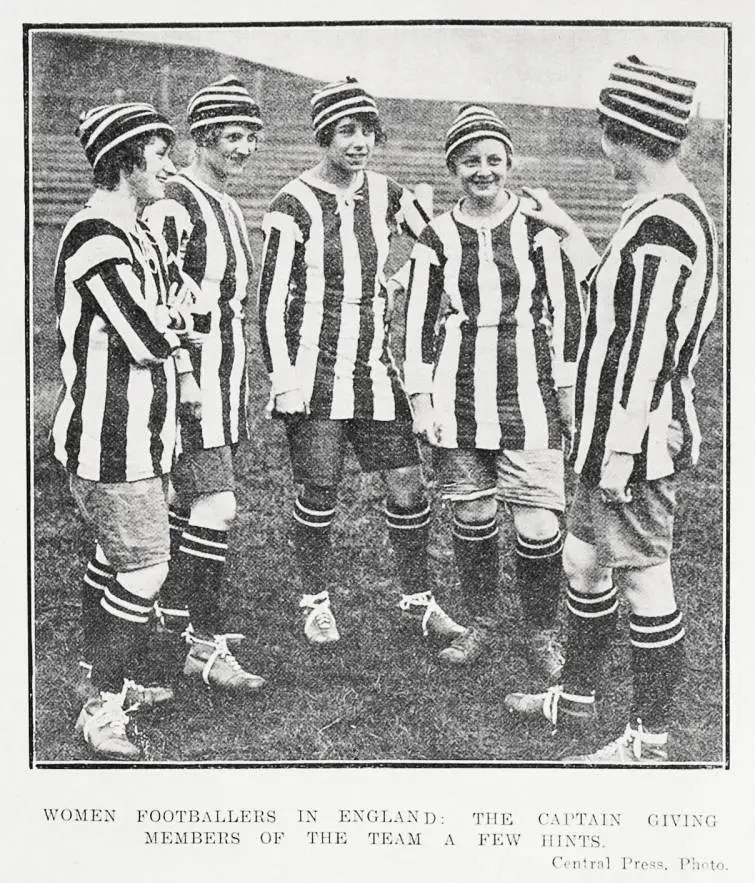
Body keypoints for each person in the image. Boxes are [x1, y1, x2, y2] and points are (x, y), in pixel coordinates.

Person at [504, 56, 719, 764]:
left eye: (603, 129)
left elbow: (645, 348)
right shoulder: (661, 213)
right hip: (606, 437)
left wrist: (619, 454)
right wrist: (566, 228)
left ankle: (648, 741)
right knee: (583, 562)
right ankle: (578, 696)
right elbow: (614, 296)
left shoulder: (665, 226)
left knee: (641, 577)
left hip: (634, 442)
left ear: (618, 133)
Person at [257, 77, 464, 650]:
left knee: (406, 484)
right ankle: (314, 600)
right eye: (347, 130)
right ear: (325, 134)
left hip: (375, 368)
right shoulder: (291, 203)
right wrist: (284, 378)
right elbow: (271, 301)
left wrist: (398, 278)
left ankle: (416, 601)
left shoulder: (388, 193)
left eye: (368, 131)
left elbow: (437, 249)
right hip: (314, 369)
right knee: (320, 490)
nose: (360, 142)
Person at [404, 105, 583, 672]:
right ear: (454, 165)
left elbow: (567, 313)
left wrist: (567, 390)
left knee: (537, 523)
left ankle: (542, 632)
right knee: (473, 516)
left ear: (509, 164)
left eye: (494, 160)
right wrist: (420, 397)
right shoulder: (435, 236)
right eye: (471, 161)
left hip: (528, 394)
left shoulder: (535, 231)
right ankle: (480, 622)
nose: (483, 170)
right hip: (457, 395)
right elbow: (415, 323)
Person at [51, 102, 204, 758]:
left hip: (140, 437)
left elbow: (176, 304)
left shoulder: (135, 230)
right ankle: (102, 707)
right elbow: (149, 336)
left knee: (115, 561)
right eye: (158, 154)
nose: (168, 167)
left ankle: (104, 678)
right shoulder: (96, 235)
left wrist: (172, 313)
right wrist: (175, 318)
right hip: (109, 440)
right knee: (146, 568)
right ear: (124, 161)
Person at [143, 76, 265, 693]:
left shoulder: (226, 200)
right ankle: (204, 646)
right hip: (190, 379)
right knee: (216, 504)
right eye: (230, 136)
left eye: (249, 136)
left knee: (189, 501)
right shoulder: (176, 201)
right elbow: (159, 297)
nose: (242, 148)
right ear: (202, 137)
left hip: (227, 372)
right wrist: (187, 374)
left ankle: (174, 614)